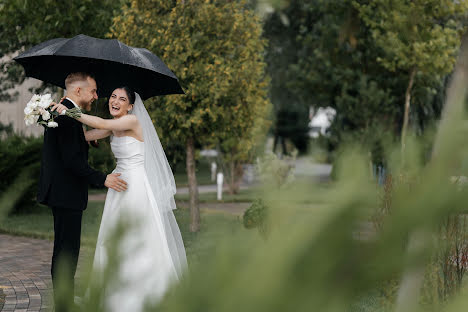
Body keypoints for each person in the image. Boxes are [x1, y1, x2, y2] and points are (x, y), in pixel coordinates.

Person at [52, 86, 187, 311]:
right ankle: (114, 293)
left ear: (131, 106)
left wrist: (69, 111)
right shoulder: (115, 126)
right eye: (113, 97)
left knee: (135, 240)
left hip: (135, 189)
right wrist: (51, 121)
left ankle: (141, 296)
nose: (115, 101)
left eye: (121, 99)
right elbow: (86, 136)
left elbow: (102, 124)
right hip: (118, 187)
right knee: (113, 239)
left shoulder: (131, 122)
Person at [38, 72, 128, 311]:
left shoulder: (62, 112)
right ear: (78, 91)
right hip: (66, 193)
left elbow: (68, 148)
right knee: (67, 254)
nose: (96, 96)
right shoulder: (66, 115)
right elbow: (72, 162)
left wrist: (83, 140)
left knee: (63, 251)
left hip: (60, 192)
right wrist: (103, 178)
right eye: (93, 91)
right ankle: (64, 306)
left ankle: (63, 303)